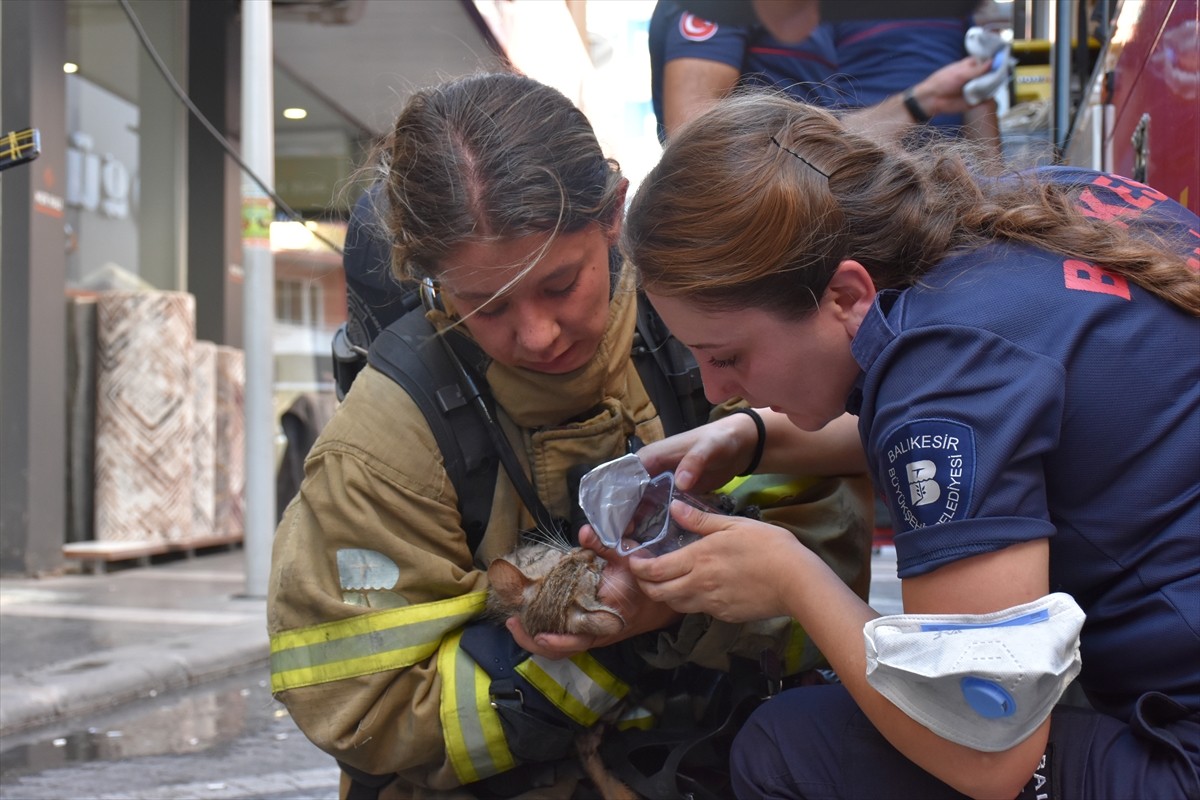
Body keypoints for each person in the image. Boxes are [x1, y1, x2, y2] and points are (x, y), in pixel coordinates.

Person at [268, 72, 874, 800]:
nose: (537, 334)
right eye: (483, 305)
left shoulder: (708, 342)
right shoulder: (383, 445)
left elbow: (830, 581)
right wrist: (611, 643)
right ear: (428, 280)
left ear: (613, 214)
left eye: (561, 285)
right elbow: (360, 712)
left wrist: (686, 599)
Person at [616, 91, 1200, 798]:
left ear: (845, 296)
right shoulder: (1018, 215)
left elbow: (990, 753)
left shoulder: (939, 375)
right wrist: (756, 436)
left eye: (729, 355)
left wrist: (793, 579)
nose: (714, 389)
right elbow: (994, 435)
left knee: (787, 745)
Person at [651, 0, 1001, 150]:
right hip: (748, 246)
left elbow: (828, 140)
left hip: (815, 227)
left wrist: (923, 101)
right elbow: (690, 137)